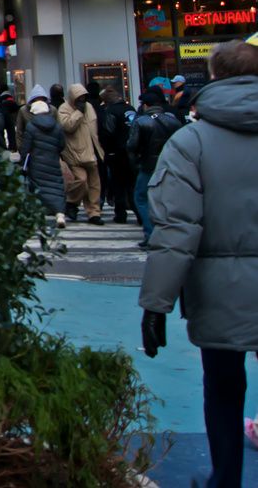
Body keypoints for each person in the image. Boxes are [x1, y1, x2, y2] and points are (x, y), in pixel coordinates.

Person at [139, 38, 258, 488]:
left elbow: (175, 232)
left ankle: (225, 479)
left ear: (211, 77)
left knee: (223, 389)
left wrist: (157, 304)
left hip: (220, 289)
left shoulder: (190, 143)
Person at [127, 86, 182, 248]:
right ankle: (168, 232)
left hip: (148, 165)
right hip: (169, 165)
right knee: (166, 199)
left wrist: (135, 161)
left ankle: (150, 233)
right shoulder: (174, 121)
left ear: (145, 106)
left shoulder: (141, 121)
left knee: (141, 197)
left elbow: (132, 145)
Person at [18, 94, 69, 229]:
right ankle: (60, 215)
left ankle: (38, 216)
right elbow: (62, 145)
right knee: (56, 187)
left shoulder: (31, 126)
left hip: (36, 163)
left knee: (37, 189)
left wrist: (23, 161)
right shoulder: (57, 126)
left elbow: (26, 147)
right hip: (53, 161)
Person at [57, 83, 105, 224]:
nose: (82, 99)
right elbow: (67, 126)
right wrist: (78, 113)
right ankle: (72, 202)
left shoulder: (89, 107)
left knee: (95, 185)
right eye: (79, 97)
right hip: (74, 152)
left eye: (84, 96)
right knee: (82, 180)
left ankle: (94, 213)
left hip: (91, 150)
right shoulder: (64, 109)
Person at [98, 87, 135, 225]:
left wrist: (107, 149)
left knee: (118, 183)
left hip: (116, 152)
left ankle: (120, 213)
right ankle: (137, 211)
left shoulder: (111, 111)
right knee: (131, 183)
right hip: (131, 150)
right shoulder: (130, 108)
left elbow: (108, 131)